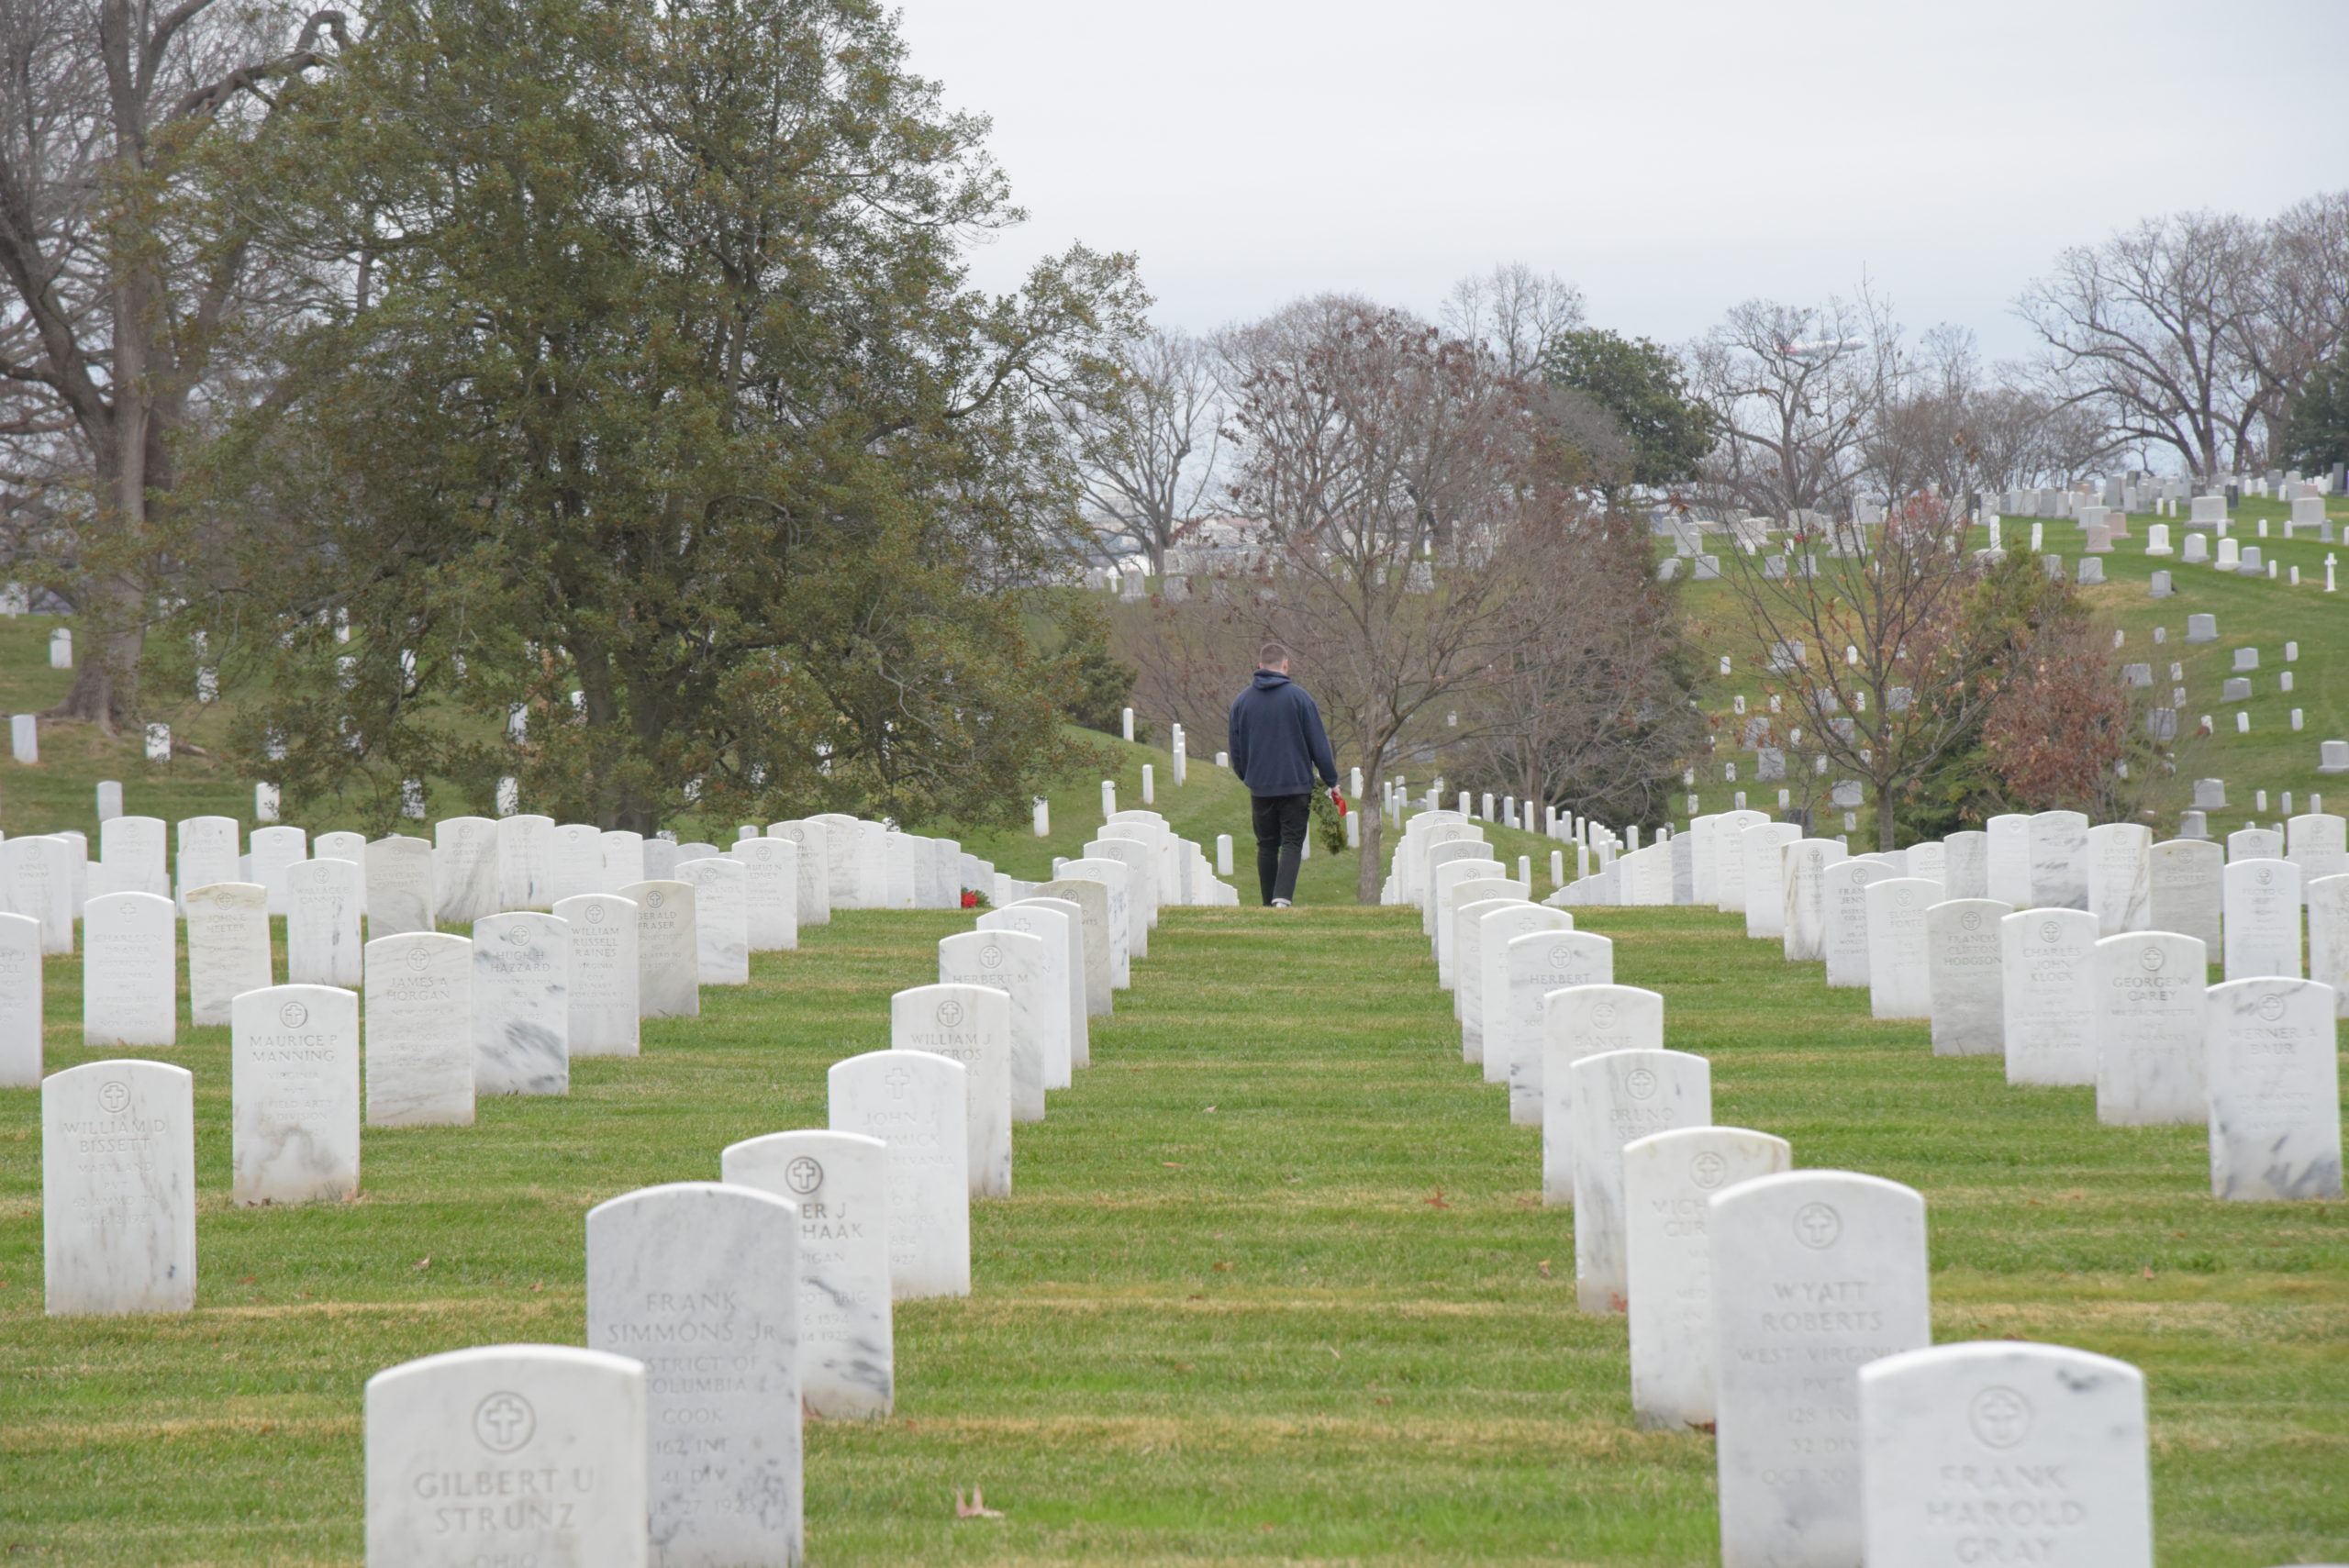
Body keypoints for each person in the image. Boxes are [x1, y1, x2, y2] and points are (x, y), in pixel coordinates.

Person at [1226, 640, 1339, 907]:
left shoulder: (1241, 702)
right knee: (1291, 842)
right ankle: (1282, 899)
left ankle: (1268, 903)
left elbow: (1236, 749)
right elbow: (1318, 744)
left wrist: (1249, 776)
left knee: (1266, 844)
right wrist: (1331, 780)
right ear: (1285, 665)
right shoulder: (1300, 698)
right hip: (1296, 784)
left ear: (1260, 665)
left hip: (1261, 786)